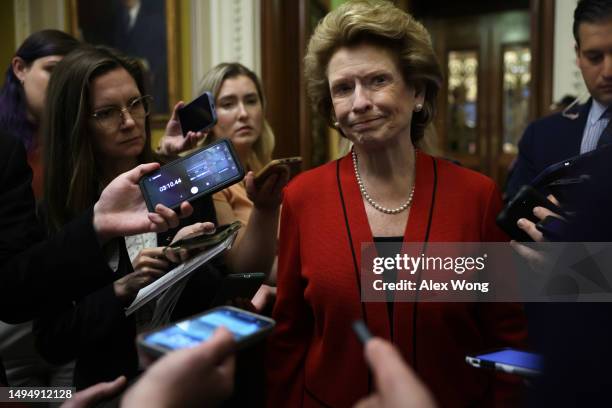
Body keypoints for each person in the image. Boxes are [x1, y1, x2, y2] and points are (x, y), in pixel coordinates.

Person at [266, 1, 527, 407]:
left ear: (417, 91)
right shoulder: (302, 197)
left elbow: (505, 334)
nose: (359, 102)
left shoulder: (476, 197)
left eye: (377, 80)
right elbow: (289, 336)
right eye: (343, 88)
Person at [32, 45, 282, 389]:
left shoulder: (179, 178)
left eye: (136, 104)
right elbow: (53, 342)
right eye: (107, 112)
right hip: (113, 389)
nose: (130, 121)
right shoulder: (57, 214)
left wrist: (192, 261)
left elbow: (221, 286)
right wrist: (125, 287)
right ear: (76, 124)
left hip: (200, 381)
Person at [505, 0, 612, 199]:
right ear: (578, 56)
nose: (608, 71)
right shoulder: (540, 136)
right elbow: (514, 218)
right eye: (595, 57)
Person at [0, 29, 80, 199]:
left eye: (72, 75)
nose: (63, 83)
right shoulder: (4, 141)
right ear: (20, 68)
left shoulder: (77, 136)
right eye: (52, 69)